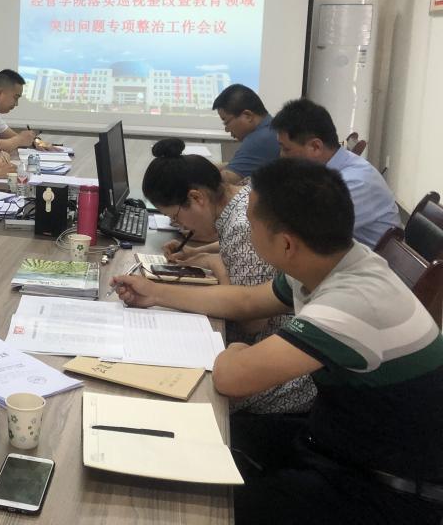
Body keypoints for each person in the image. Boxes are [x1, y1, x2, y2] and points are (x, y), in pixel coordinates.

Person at [113, 159, 443, 525]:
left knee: (191, 504)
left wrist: (236, 350)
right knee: (183, 447)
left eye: (251, 224)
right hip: (337, 444)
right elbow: (246, 301)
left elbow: (232, 377)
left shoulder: (351, 303)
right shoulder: (335, 262)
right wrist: (155, 292)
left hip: (386, 492)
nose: (242, 230)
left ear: (286, 244)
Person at [143, 139, 314, 415]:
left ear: (196, 198)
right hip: (271, 352)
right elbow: (234, 248)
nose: (179, 225)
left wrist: (214, 263)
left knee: (176, 396)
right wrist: (200, 252)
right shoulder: (240, 197)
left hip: (277, 369)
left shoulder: (243, 225)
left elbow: (251, 322)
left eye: (175, 216)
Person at [270, 97, 401, 248]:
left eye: (286, 149)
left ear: (315, 147)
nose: (281, 156)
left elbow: (303, 234)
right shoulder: (326, 171)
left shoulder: (354, 183)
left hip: (367, 262)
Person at [212, 84, 280, 184]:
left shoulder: (259, 139)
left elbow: (226, 180)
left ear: (247, 116)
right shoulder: (270, 127)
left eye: (226, 122)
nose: (226, 129)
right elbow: (236, 164)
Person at [0, 69, 39, 153]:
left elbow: (11, 136)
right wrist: (19, 140)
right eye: (15, 97)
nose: (16, 104)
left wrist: (37, 142)